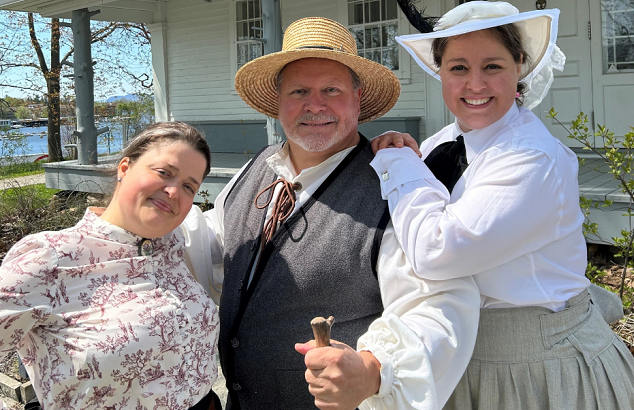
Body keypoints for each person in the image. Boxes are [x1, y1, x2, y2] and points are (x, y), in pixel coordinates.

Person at [182, 17, 480, 410]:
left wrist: (375, 369)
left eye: (331, 90)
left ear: (357, 100)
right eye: (299, 91)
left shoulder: (395, 188)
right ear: (278, 102)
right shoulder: (255, 169)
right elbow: (211, 250)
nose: (314, 104)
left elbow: (439, 301)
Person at [370, 2, 634, 409]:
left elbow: (437, 250)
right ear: (440, 72)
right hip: (460, 359)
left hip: (536, 368)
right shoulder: (440, 144)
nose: (475, 84)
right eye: (458, 68)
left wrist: (398, 165)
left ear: (520, 68)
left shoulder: (532, 158)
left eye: (492, 66)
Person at [0, 122, 221, 410]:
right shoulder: (50, 258)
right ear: (125, 168)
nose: (173, 191)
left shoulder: (174, 245)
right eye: (164, 172)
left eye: (189, 186)